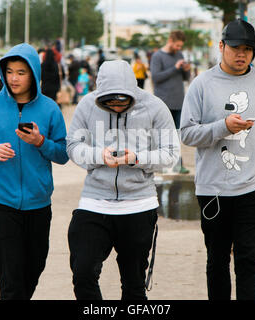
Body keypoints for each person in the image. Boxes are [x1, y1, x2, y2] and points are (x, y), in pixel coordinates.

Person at [180, 19, 255, 300]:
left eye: (249, 49)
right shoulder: (201, 85)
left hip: (254, 191)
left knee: (248, 263)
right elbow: (187, 134)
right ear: (222, 46)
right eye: (236, 47)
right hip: (212, 192)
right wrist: (223, 126)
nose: (242, 54)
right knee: (216, 263)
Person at [66, 60, 180, 300]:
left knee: (134, 285)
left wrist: (136, 158)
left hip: (139, 204)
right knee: (83, 272)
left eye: (122, 101)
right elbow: (73, 146)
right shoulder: (86, 105)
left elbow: (171, 154)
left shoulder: (155, 107)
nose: (116, 107)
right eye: (109, 102)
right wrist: (99, 156)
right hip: (94, 201)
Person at [0, 43, 69, 300]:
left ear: (33, 73)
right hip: (1, 203)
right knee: (11, 276)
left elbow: (64, 153)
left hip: (38, 203)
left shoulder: (49, 108)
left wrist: (40, 142)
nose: (13, 78)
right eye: (9, 71)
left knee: (34, 268)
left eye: (21, 72)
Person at [150, 30, 191, 174]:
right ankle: (161, 164)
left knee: (177, 136)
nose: (179, 49)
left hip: (179, 102)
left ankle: (178, 165)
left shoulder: (179, 55)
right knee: (162, 135)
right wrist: (174, 68)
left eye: (181, 46)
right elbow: (156, 78)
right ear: (171, 40)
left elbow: (185, 78)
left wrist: (186, 69)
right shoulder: (157, 56)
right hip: (163, 102)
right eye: (177, 45)